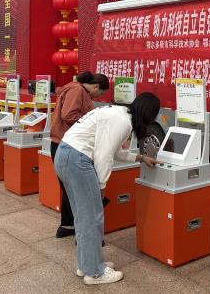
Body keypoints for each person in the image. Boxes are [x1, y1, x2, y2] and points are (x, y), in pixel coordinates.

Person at [53, 92, 161, 285]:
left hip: (65, 155)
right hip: (77, 159)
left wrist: (141, 158)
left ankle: (87, 264)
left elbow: (115, 151)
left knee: (83, 217)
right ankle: (95, 272)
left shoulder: (117, 113)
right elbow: (104, 156)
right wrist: (101, 187)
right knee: (92, 218)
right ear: (149, 113)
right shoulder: (123, 121)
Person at [50, 71, 109, 239]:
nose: (97, 97)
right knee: (75, 189)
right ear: (96, 86)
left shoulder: (72, 88)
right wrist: (91, 122)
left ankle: (67, 225)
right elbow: (68, 114)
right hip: (67, 143)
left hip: (61, 142)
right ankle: (77, 228)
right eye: (100, 93)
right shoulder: (78, 90)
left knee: (69, 188)